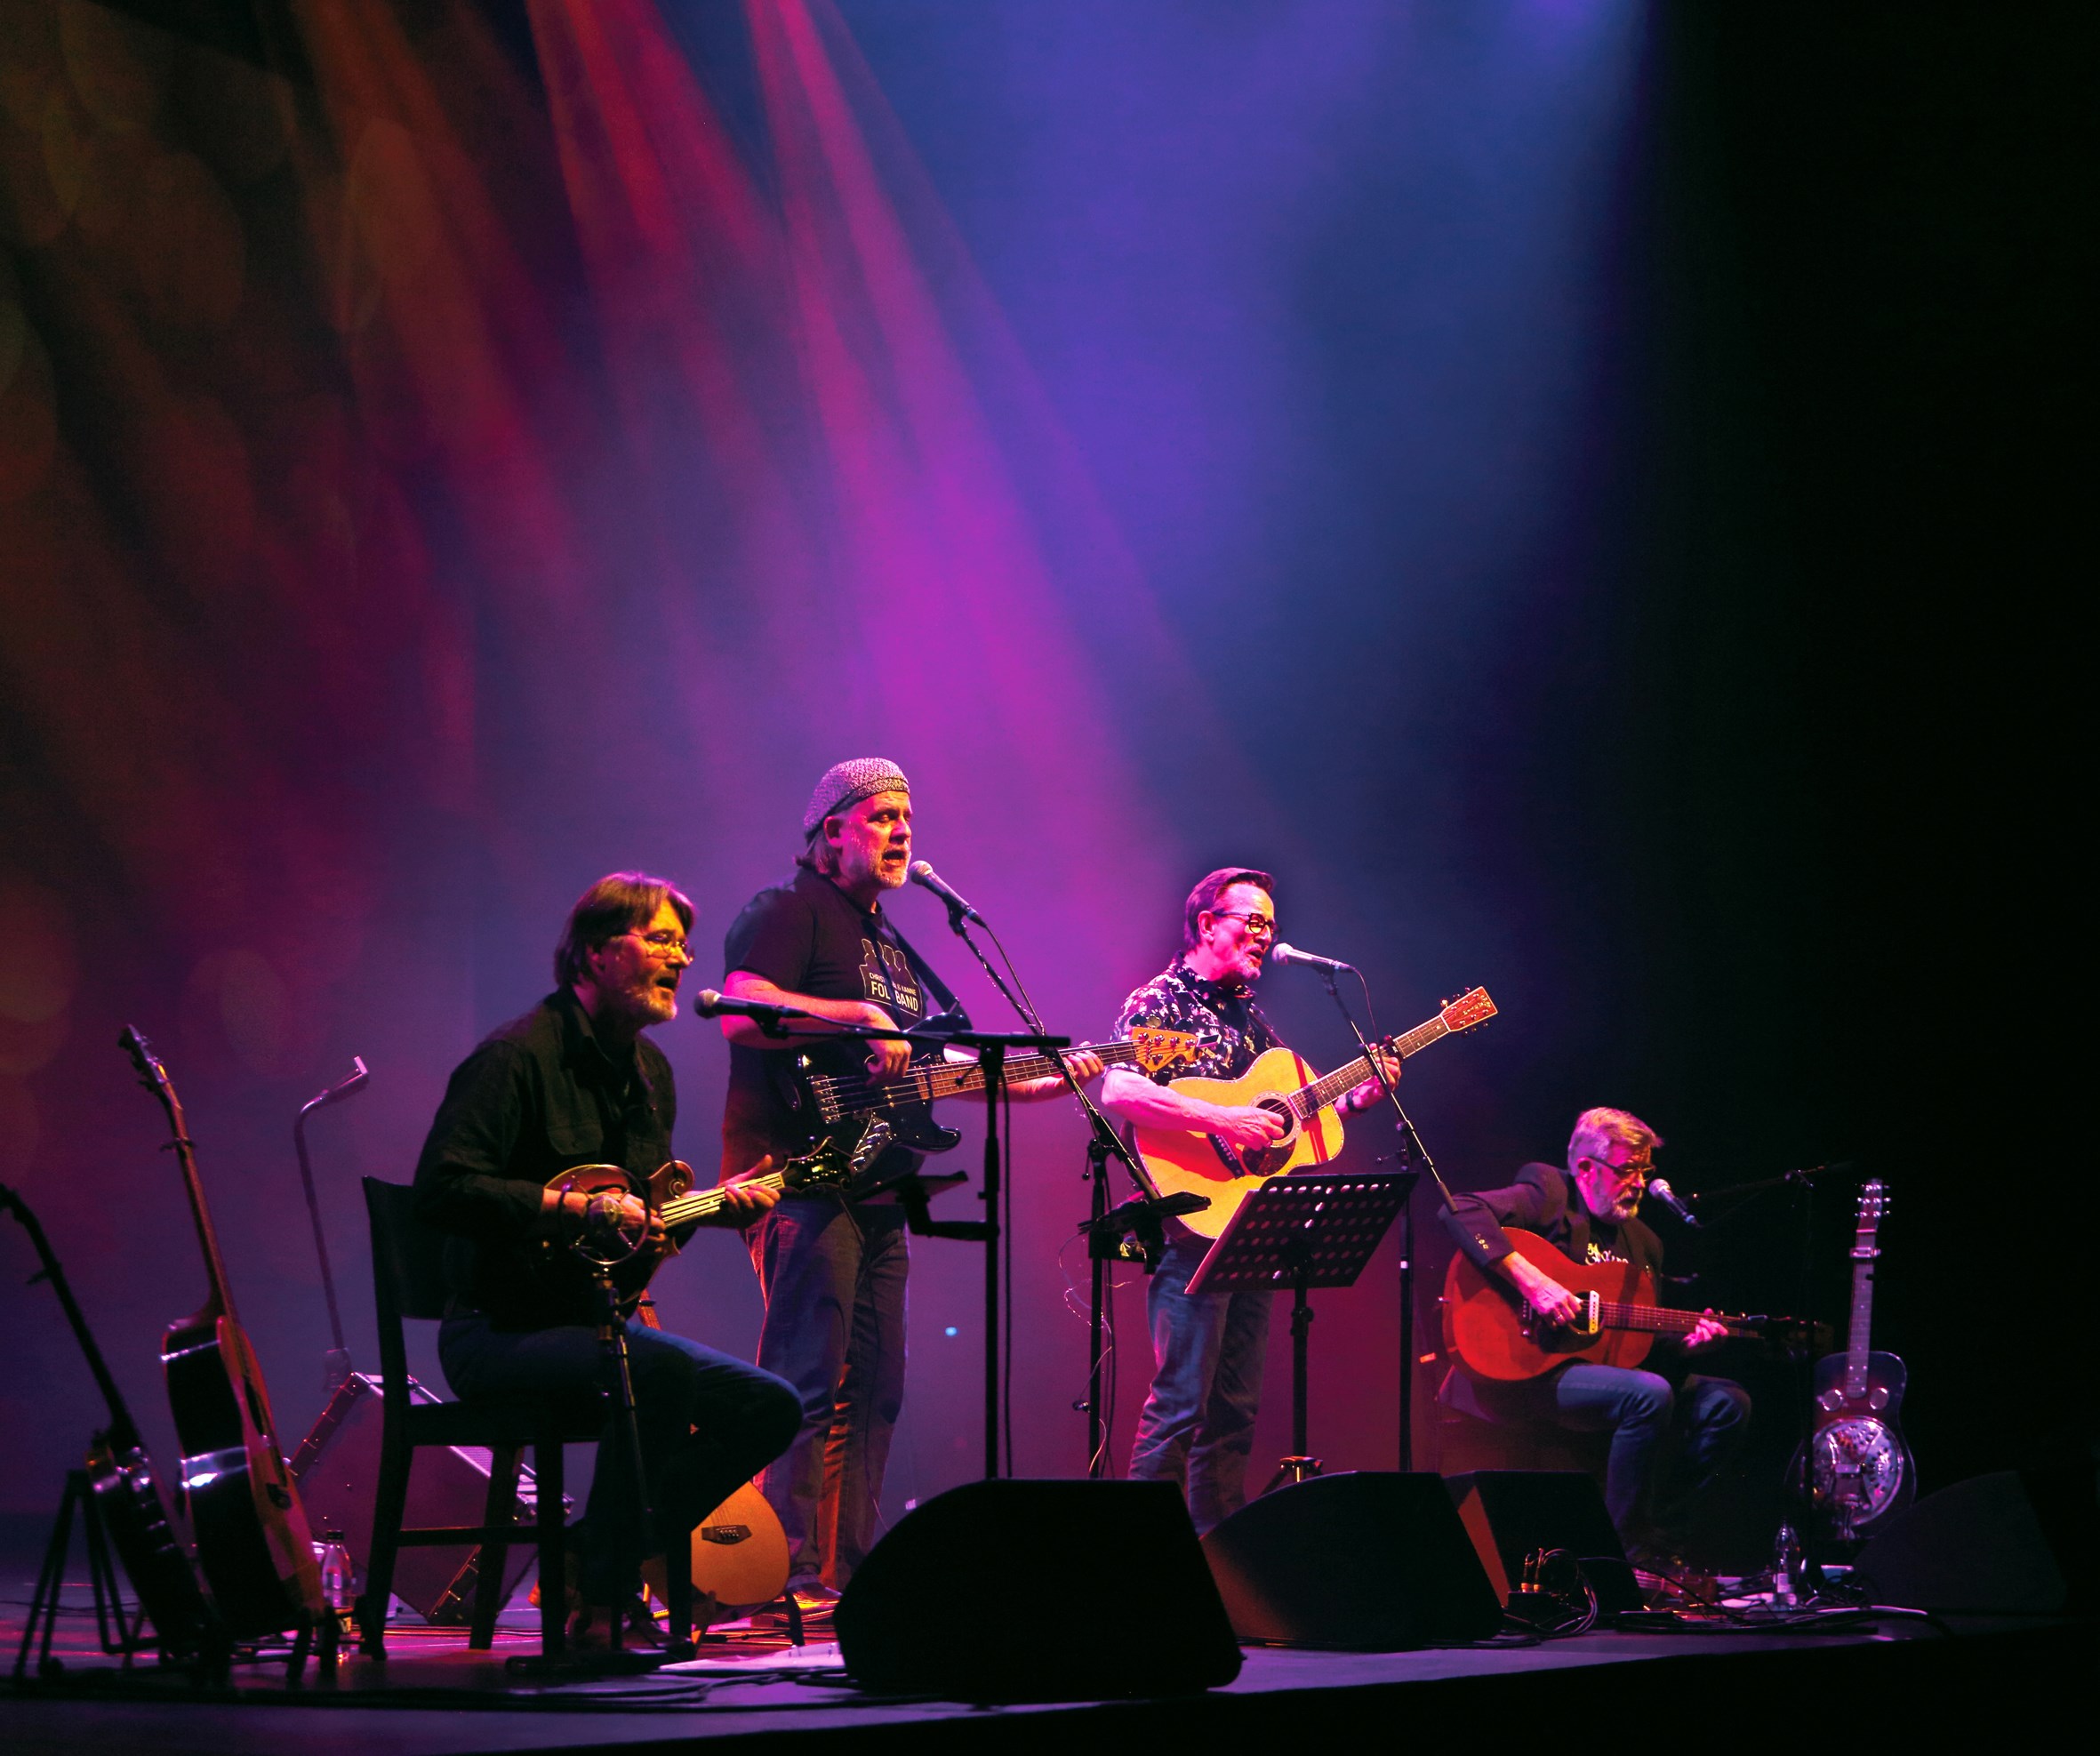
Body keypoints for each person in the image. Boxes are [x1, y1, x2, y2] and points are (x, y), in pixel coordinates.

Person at [717, 758, 1102, 1608]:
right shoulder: (788, 909)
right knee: (807, 1381)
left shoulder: (893, 942)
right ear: (832, 832)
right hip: (802, 1177)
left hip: (880, 1189)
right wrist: (859, 1015)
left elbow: (925, 1068)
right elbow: (741, 1007)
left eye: (908, 817)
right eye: (883, 815)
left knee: (877, 1387)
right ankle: (774, 1575)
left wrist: (1029, 1079)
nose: (901, 831)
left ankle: (843, 1574)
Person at [413, 872, 800, 1644]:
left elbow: (637, 1236)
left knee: (770, 1405)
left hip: (595, 1328)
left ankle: (597, 1549)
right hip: (497, 1332)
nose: (681, 959)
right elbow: (442, 1188)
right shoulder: (515, 1057)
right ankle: (604, 1595)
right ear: (595, 953)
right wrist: (569, 1205)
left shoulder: (650, 1077)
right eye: (660, 939)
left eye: (684, 946)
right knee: (654, 1370)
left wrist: (713, 1211)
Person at [1099, 868, 1397, 1532]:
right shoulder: (1161, 1001)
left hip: (1250, 1226)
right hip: (1189, 1226)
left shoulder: (1251, 1017)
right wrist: (1223, 1121)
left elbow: (1294, 1114)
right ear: (1208, 923)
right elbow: (1118, 1090)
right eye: (1251, 922)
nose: (1264, 937)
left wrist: (1356, 1096)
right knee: (1181, 1401)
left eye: (1271, 926)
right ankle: (1144, 1550)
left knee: (1235, 1410)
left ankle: (1219, 1554)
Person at [1438, 1106, 1751, 1558]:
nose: (1639, 1183)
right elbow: (1460, 1209)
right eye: (1627, 1170)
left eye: (1645, 1171)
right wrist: (1534, 1281)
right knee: (1648, 1395)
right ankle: (1618, 1554)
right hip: (1522, 1369)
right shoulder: (1548, 1193)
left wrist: (1683, 1345)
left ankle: (1663, 1540)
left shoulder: (1645, 1244)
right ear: (1585, 1168)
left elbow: (1637, 1349)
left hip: (1587, 1374)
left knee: (1727, 1402)